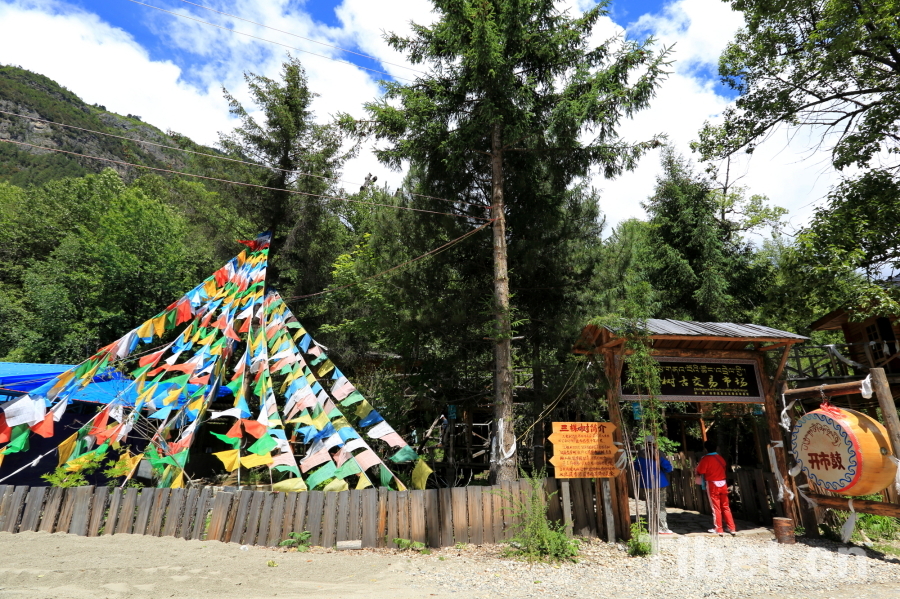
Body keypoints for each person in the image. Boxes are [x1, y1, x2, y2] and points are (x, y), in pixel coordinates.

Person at [633, 436, 675, 535]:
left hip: (647, 483)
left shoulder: (640, 455)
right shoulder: (659, 454)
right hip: (660, 483)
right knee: (661, 506)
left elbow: (636, 467)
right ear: (654, 443)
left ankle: (651, 527)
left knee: (650, 506)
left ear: (645, 443)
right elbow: (668, 468)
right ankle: (663, 528)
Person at [695, 440, 737, 536]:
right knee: (726, 506)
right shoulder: (720, 458)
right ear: (717, 448)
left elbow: (701, 471)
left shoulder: (705, 459)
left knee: (716, 507)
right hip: (723, 483)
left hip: (712, 484)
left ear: (706, 449)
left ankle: (719, 528)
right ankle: (732, 528)